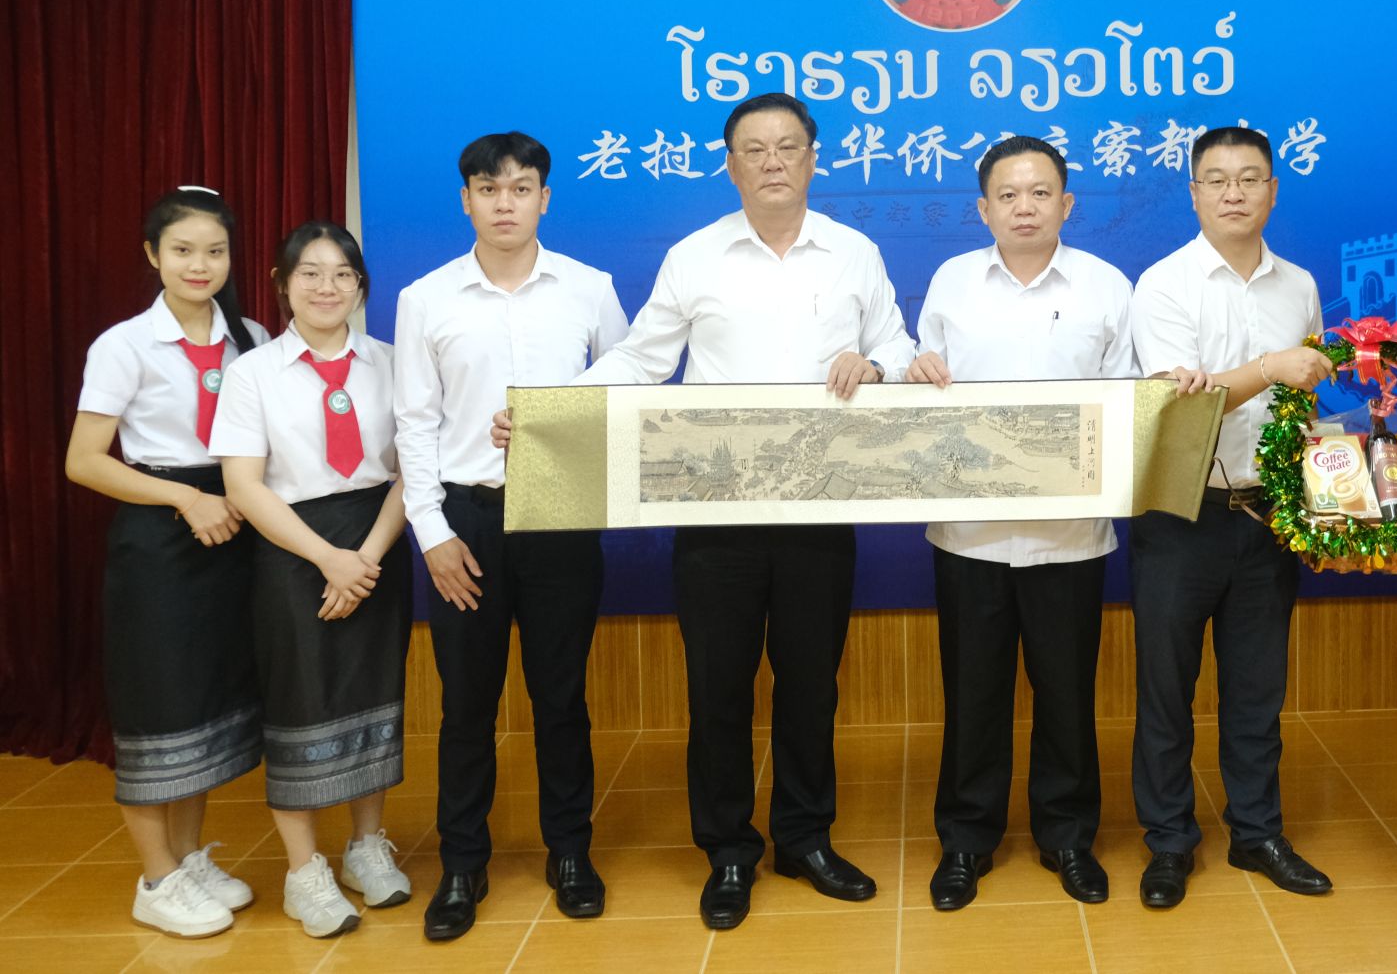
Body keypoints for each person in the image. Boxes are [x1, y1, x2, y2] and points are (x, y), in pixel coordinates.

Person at [528, 92, 916, 931]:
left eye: (788, 146)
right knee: (718, 688)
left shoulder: (854, 253)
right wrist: (551, 410)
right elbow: (640, 360)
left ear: (814, 158)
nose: (773, 160)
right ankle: (729, 851)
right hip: (715, 507)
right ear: (730, 164)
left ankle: (805, 837)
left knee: (811, 684)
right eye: (754, 148)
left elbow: (899, 341)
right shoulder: (694, 256)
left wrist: (876, 363)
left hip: (821, 498)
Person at [392, 132, 628, 941]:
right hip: (466, 518)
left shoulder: (590, 288)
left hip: (561, 509)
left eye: (521, 188)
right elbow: (413, 421)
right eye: (488, 189)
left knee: (560, 695)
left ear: (544, 198)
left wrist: (555, 419)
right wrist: (431, 531)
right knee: (466, 703)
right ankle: (463, 862)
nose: (504, 203)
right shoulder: (426, 297)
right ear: (466, 199)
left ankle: (571, 851)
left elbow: (626, 386)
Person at [904, 135, 1140, 911]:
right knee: (973, 694)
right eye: (1008, 195)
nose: (1025, 207)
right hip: (969, 533)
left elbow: (1126, 400)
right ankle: (965, 840)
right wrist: (915, 372)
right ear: (984, 209)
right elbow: (924, 384)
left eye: (1040, 193)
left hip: (1069, 535)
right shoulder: (952, 281)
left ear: (1067, 203)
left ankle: (1067, 836)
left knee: (1066, 694)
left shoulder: (1107, 286)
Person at [1125, 125, 1336, 910]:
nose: (1234, 192)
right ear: (1194, 193)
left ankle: (1257, 832)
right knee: (1167, 689)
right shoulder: (1164, 284)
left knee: (1257, 691)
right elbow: (1179, 411)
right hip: (1182, 513)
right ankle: (1169, 841)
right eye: (1217, 179)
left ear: (1273, 190)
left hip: (1267, 513)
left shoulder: (1299, 285)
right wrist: (1270, 367)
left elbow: (1303, 400)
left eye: (1250, 178)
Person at [64, 186, 269, 938]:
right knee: (159, 704)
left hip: (234, 531)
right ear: (153, 254)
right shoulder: (124, 345)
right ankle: (155, 879)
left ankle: (187, 859)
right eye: (182, 250)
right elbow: (85, 460)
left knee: (204, 705)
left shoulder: (250, 335)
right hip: (160, 538)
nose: (199, 264)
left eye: (215, 250)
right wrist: (185, 499)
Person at [212, 222, 412, 938]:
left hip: (377, 537)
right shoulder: (253, 373)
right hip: (291, 546)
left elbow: (412, 467)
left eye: (342, 275)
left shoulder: (393, 363)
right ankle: (304, 873)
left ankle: (366, 846)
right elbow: (243, 483)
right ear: (282, 283)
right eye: (310, 273)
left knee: (373, 695)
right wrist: (330, 559)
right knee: (299, 703)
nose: (327, 288)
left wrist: (366, 557)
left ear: (361, 286)